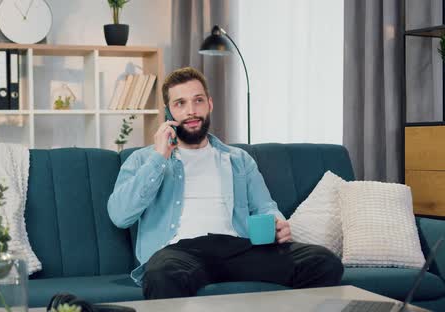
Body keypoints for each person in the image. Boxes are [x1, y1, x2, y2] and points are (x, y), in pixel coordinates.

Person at [107, 67, 343, 299]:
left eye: (197, 100)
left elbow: (265, 207)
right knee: (161, 275)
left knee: (323, 262)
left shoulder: (238, 159)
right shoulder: (143, 159)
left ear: (209, 104)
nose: (191, 111)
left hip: (238, 248)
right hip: (179, 252)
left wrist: (277, 222)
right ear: (168, 113)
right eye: (180, 103)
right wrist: (159, 158)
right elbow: (120, 215)